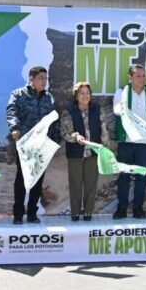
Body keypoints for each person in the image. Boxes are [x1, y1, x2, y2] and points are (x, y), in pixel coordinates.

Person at [7, 65, 62, 225]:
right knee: (22, 179)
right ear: (31, 78)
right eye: (41, 78)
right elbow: (12, 112)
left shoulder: (48, 98)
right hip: (25, 143)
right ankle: (18, 214)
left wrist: (55, 139)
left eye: (46, 79)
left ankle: (32, 213)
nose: (44, 82)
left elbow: (54, 120)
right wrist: (14, 128)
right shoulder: (18, 94)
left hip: (42, 145)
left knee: (38, 179)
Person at [112, 64, 146, 220]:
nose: (141, 79)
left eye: (143, 76)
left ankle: (138, 209)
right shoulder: (121, 92)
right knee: (124, 177)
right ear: (130, 78)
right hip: (126, 141)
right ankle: (121, 209)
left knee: (141, 177)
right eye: (138, 76)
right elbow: (116, 110)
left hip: (145, 143)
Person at [60, 81, 111, 222]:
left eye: (87, 93)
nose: (85, 96)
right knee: (75, 184)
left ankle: (88, 212)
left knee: (91, 184)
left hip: (93, 153)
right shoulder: (69, 111)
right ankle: (75, 213)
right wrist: (75, 137)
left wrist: (105, 147)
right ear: (76, 95)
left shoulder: (97, 109)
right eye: (82, 93)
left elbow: (104, 129)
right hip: (76, 153)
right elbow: (65, 132)